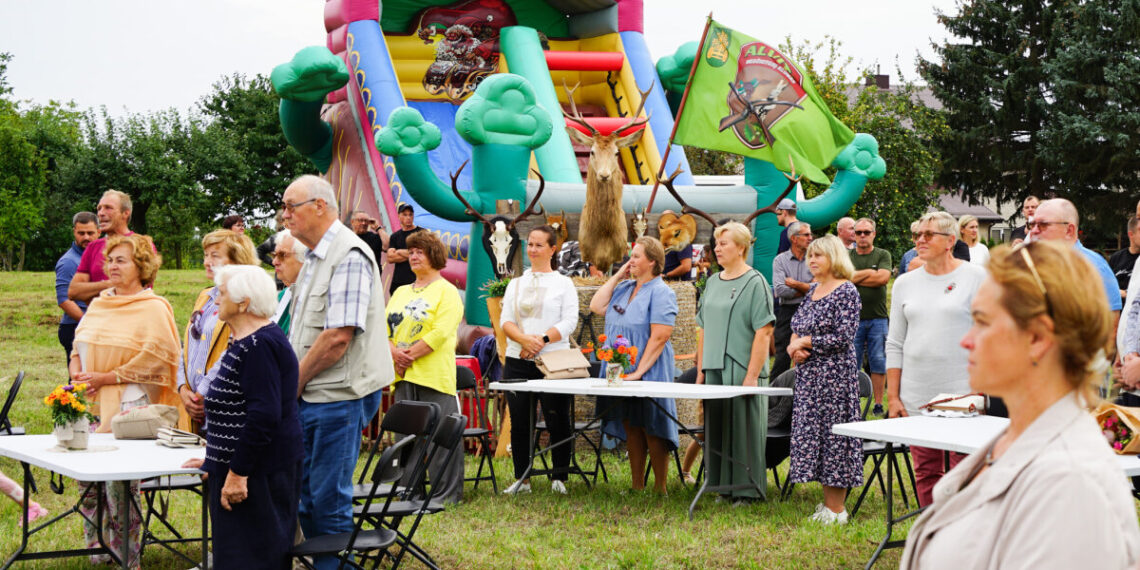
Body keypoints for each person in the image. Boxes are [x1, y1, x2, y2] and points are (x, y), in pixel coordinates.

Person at [900, 241, 1140, 568]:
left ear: (1038, 339)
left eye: (983, 322)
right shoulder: (1016, 439)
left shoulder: (1071, 484)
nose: (966, 340)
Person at [282, 175, 391, 570]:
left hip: (337, 397)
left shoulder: (348, 255)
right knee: (308, 495)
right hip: (318, 394)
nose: (284, 215)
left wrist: (292, 383)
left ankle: (330, 566)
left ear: (320, 206)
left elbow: (336, 339)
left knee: (326, 498)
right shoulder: (313, 257)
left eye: (291, 206)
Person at [68, 233, 182, 568]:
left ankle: (126, 554)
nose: (112, 266)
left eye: (121, 260)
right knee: (86, 479)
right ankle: (96, 549)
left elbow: (158, 359)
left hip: (129, 405)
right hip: (86, 401)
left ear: (141, 266)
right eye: (110, 260)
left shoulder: (154, 307)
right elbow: (78, 346)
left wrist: (106, 377)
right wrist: (78, 373)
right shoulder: (100, 302)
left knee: (120, 485)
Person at [182, 265, 303, 570]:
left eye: (221, 294)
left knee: (253, 557)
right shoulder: (244, 341)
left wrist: (236, 473)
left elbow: (263, 416)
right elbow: (235, 407)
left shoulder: (259, 345)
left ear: (243, 302)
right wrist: (216, 458)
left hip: (259, 473)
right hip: (241, 467)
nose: (215, 300)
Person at [885, 212, 987, 506]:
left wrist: (981, 389)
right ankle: (931, 535)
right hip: (917, 392)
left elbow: (989, 336)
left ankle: (961, 539)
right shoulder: (905, 283)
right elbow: (894, 343)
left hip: (963, 391)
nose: (920, 240)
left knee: (963, 471)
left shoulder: (976, 277)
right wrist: (893, 397)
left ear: (950, 241)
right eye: (917, 234)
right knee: (926, 470)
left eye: (928, 234)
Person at [590, 237, 679, 494]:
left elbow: (660, 335)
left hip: (649, 366)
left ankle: (660, 487)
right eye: (631, 256)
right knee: (631, 423)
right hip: (620, 368)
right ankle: (637, 485)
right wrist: (619, 273)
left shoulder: (662, 292)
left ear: (653, 261)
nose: (631, 261)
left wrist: (640, 372)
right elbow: (596, 305)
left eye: (637, 256)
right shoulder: (624, 288)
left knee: (653, 424)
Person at [695, 223, 775, 502]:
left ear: (741, 247)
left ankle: (747, 491)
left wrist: (752, 376)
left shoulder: (756, 283)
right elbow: (702, 327)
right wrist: (701, 369)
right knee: (716, 428)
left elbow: (764, 331)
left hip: (742, 367)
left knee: (743, 429)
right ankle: (719, 487)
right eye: (716, 243)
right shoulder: (713, 282)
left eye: (724, 243)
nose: (716, 248)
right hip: (714, 367)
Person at [787, 235, 863, 523]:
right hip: (809, 378)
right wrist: (795, 347)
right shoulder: (814, 289)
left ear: (835, 257)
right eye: (810, 256)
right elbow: (797, 326)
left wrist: (805, 341)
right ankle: (826, 505)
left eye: (819, 255)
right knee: (815, 436)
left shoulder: (846, 290)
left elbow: (844, 337)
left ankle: (836, 510)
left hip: (834, 378)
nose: (812, 260)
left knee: (834, 439)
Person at [386, 230, 465, 503]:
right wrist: (395, 353)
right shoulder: (400, 291)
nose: (414, 255)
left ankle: (445, 495)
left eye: (421, 251)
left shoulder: (448, 291)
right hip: (403, 375)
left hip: (434, 375)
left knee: (442, 439)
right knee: (406, 439)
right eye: (412, 251)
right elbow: (384, 329)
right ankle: (409, 491)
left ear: (435, 255)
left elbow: (442, 331)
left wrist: (410, 355)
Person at [500, 226, 578, 495]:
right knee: (520, 420)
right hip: (517, 358)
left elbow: (569, 321)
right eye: (530, 244)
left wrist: (540, 341)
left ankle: (559, 476)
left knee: (558, 417)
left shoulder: (563, 283)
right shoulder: (515, 283)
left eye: (539, 245)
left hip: (554, 360)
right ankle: (522, 478)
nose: (532, 250)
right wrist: (523, 340)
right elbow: (505, 321)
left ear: (552, 249)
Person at [177, 229, 258, 433]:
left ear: (236, 261)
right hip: (194, 407)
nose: (207, 262)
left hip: (223, 407)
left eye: (215, 256)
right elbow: (187, 345)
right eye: (205, 255)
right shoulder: (205, 296)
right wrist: (182, 389)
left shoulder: (244, 300)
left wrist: (203, 393)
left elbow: (234, 351)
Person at [1031, 198, 1123, 316]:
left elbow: (1111, 326)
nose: (1034, 231)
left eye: (1043, 225)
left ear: (1069, 230)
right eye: (1032, 224)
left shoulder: (1095, 267)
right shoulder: (1029, 263)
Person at [849, 218, 891, 416]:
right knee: (852, 361)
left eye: (866, 232)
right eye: (859, 233)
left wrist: (855, 276)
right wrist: (870, 274)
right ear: (854, 234)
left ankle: (877, 403)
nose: (862, 236)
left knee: (878, 360)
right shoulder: (847, 255)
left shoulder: (883, 254)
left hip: (878, 318)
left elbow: (883, 278)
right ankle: (853, 401)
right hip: (852, 319)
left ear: (874, 233)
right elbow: (842, 278)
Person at [68, 190, 136, 303]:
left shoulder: (142, 245)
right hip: (98, 318)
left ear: (125, 213)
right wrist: (110, 283)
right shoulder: (93, 247)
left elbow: (138, 289)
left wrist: (92, 290)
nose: (101, 213)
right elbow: (73, 291)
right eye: (99, 208)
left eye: (108, 208)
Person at [771, 221, 813, 381]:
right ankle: (775, 399)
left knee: (808, 354)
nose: (810, 238)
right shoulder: (780, 260)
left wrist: (795, 284)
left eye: (810, 234)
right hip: (787, 312)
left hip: (810, 311)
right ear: (794, 239)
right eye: (806, 234)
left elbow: (820, 287)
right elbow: (780, 290)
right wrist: (807, 288)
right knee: (782, 356)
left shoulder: (815, 258)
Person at [55, 212, 99, 364]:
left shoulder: (102, 257)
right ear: (74, 232)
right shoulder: (68, 262)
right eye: (81, 233)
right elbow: (64, 300)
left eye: (90, 233)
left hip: (95, 325)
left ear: (99, 232)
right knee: (79, 382)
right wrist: (88, 324)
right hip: (76, 327)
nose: (86, 237)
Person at [270, 229, 307, 334]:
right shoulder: (283, 295)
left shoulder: (313, 298)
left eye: (282, 255)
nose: (274, 262)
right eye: (274, 255)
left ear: (304, 257)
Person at [387, 204, 424, 295]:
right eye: (405, 214)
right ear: (399, 216)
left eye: (410, 214)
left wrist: (399, 251)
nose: (408, 217)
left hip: (416, 280)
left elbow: (423, 255)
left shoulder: (421, 233)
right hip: (398, 282)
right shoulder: (395, 237)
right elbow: (390, 258)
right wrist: (412, 253)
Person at [1109, 216, 1139, 304]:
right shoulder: (1116, 258)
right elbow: (1106, 287)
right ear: (1131, 234)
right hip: (1117, 314)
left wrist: (1126, 294)